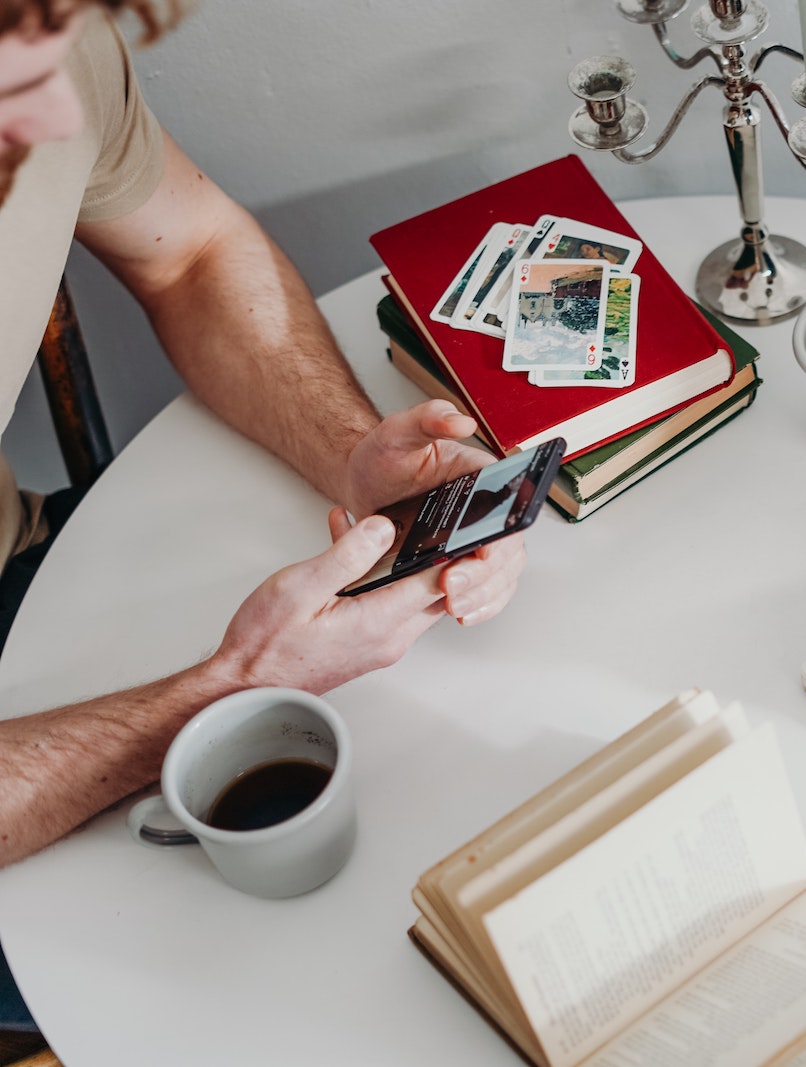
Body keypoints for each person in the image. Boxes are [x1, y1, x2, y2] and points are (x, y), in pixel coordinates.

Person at [0, 3, 525, 903]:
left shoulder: (36, 31)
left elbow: (192, 256)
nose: (56, 123)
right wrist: (232, 688)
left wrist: (354, 453)